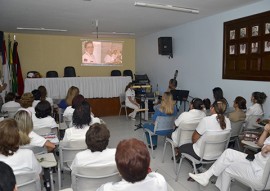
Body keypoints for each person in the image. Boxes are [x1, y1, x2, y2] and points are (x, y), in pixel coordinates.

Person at [189, 123, 270, 191]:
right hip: (256, 161)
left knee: (227, 167)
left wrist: (267, 148)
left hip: (261, 174)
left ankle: (206, 177)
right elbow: (260, 144)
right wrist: (266, 131)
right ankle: (206, 175)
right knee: (228, 153)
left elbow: (265, 151)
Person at [97, 138, 168, 191]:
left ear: (118, 169)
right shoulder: (160, 181)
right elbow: (152, 175)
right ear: (148, 164)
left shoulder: (106, 189)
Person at [177, 99, 231, 166]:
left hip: (202, 155)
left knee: (182, 147)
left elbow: (194, 139)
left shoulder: (206, 120)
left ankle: (196, 166)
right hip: (218, 154)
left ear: (212, 108)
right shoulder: (228, 121)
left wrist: (197, 145)